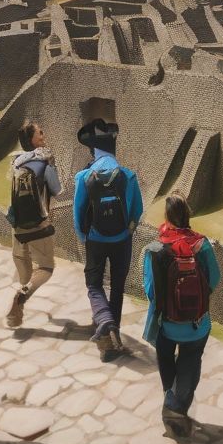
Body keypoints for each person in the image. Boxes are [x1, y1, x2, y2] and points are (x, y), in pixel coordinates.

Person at [142, 194, 221, 438]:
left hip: (167, 324)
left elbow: (150, 290)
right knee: (190, 359)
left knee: (165, 356)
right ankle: (176, 406)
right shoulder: (202, 245)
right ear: (188, 215)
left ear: (166, 217)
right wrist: (195, 299)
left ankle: (171, 399)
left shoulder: (156, 250)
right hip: (198, 324)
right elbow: (215, 278)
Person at [74, 118, 143, 360]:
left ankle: (104, 322)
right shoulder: (128, 176)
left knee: (94, 284)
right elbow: (137, 211)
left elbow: (78, 212)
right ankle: (115, 337)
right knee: (117, 287)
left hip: (95, 239)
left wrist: (85, 236)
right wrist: (127, 231)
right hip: (122, 240)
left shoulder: (84, 177)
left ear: (94, 151)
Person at [6, 121, 62, 329]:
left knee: (23, 264)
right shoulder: (44, 163)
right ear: (32, 140)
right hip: (38, 224)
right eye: (40, 132)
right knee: (46, 268)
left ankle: (16, 314)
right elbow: (57, 190)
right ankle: (21, 297)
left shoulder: (16, 163)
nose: (43, 134)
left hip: (17, 224)